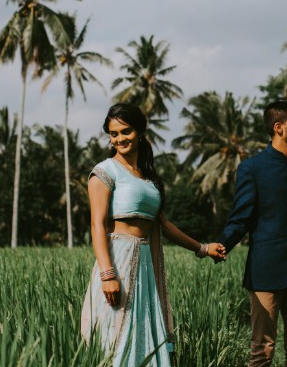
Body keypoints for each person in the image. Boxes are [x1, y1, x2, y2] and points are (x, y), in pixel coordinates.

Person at [81, 102, 226, 366]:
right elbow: (97, 225)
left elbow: (165, 226)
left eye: (125, 131)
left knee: (143, 333)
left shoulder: (148, 179)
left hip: (146, 264)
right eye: (113, 134)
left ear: (139, 132)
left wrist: (203, 248)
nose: (120, 139)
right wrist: (107, 274)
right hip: (119, 262)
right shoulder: (104, 172)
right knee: (116, 336)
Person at [217, 100, 287, 366]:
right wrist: (221, 245)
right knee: (262, 351)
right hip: (265, 270)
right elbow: (240, 218)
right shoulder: (252, 168)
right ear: (279, 127)